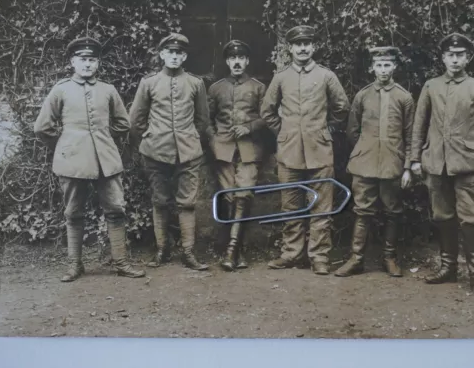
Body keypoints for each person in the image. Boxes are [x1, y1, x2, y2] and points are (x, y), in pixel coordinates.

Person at [34, 37, 146, 282]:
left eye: (92, 60)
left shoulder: (107, 90)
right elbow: (42, 127)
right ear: (73, 61)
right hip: (72, 161)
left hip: (106, 160)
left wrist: (104, 138)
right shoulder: (61, 89)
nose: (87, 64)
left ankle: (121, 262)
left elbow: (123, 123)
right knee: (73, 212)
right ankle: (75, 265)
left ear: (98, 63)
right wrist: (65, 143)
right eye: (83, 60)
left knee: (116, 208)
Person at [410, 32, 474, 297]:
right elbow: (419, 125)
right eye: (450, 55)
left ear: (468, 57)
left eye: (460, 55)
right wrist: (415, 159)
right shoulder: (431, 86)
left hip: (467, 163)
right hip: (436, 164)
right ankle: (448, 268)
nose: (455, 59)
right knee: (442, 216)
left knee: (472, 219)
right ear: (443, 58)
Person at [260, 25, 350, 275]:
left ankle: (319, 256)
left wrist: (325, 130)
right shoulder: (281, 77)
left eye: (307, 43)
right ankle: (292, 254)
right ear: (290, 48)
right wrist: (285, 132)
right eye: (297, 44)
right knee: (290, 205)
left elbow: (342, 107)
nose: (302, 48)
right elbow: (267, 112)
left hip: (319, 151)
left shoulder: (326, 76)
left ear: (314, 47)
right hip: (289, 152)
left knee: (321, 206)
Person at [129, 33, 211, 270]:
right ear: (162, 54)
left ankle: (188, 252)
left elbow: (202, 119)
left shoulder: (195, 84)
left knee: (187, 203)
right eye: (170, 52)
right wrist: (149, 138)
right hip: (156, 151)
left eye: (179, 53)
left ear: (184, 56)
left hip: (188, 153)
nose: (174, 57)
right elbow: (136, 120)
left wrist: (191, 137)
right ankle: (162, 250)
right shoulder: (149, 83)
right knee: (160, 201)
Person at [334, 47, 414, 278]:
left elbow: (410, 136)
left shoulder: (404, 97)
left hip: (392, 164)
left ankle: (389, 258)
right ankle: (356, 258)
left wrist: (407, 166)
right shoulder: (363, 95)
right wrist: (364, 149)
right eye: (378, 65)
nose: (383, 70)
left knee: (392, 211)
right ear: (372, 68)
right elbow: (352, 130)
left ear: (395, 67)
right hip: (365, 163)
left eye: (387, 65)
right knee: (362, 210)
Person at [208, 40, 267, 271]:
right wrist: (214, 140)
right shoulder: (216, 88)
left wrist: (250, 127)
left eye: (241, 58)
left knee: (244, 195)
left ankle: (232, 250)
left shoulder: (258, 87)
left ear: (247, 61)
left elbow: (267, 117)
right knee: (229, 197)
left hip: (249, 149)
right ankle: (235, 249)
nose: (237, 62)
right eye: (233, 58)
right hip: (223, 150)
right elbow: (206, 120)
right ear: (227, 61)